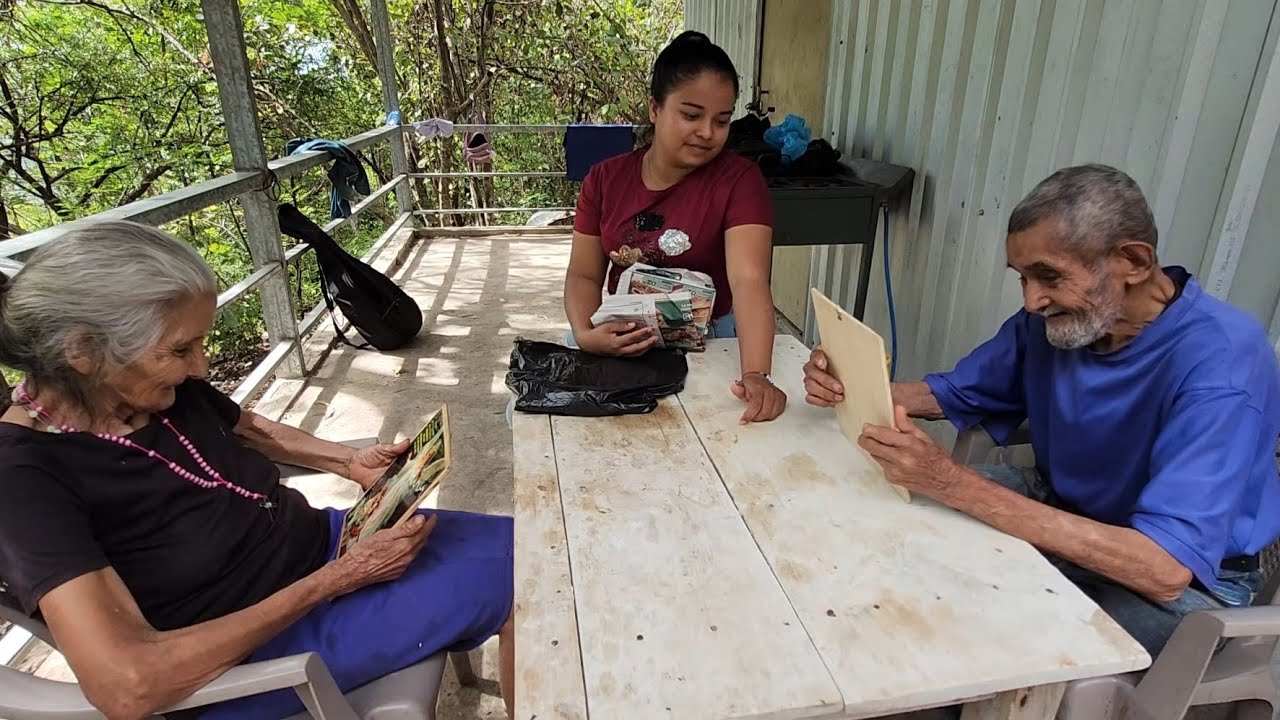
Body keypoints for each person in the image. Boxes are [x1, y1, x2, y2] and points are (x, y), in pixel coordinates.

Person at [0, 222, 514, 720]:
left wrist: (346, 459)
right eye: (180, 349)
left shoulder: (147, 389)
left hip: (326, 551)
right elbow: (129, 686)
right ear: (84, 352)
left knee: (542, 549)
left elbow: (251, 429)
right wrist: (334, 581)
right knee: (537, 583)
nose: (200, 367)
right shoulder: (23, 478)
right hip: (259, 644)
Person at [802, 164, 1280, 656]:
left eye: (1049, 276)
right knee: (883, 531)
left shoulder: (1222, 366)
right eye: (1023, 278)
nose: (1032, 301)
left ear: (1134, 261)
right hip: (1063, 504)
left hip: (1191, 587)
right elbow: (952, 394)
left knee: (971, 631)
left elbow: (1163, 569)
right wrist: (850, 380)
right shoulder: (1061, 321)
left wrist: (950, 481)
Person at [563, 30, 787, 424]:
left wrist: (756, 373)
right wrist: (585, 333)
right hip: (620, 334)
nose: (707, 133)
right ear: (654, 108)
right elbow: (583, 273)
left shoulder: (740, 181)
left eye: (722, 120)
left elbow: (749, 280)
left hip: (709, 337)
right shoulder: (604, 180)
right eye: (691, 115)